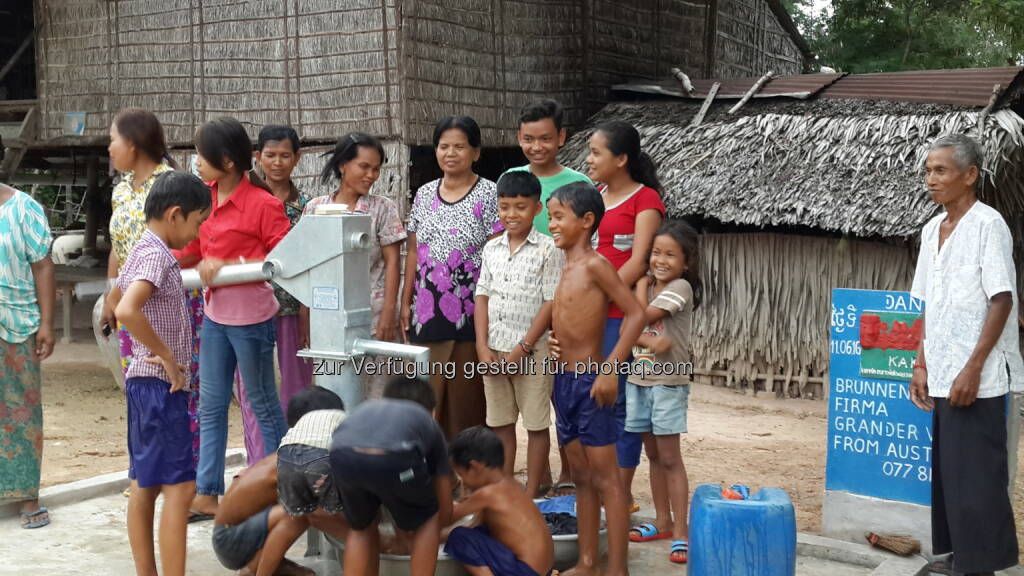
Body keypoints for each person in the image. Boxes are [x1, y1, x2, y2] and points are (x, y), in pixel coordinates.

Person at [909, 133, 1022, 576]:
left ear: (969, 175)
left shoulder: (988, 225)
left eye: (941, 171)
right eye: (928, 171)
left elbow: (1002, 299)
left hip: (979, 374)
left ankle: (980, 565)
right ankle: (961, 556)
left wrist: (973, 368)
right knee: (951, 472)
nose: (931, 180)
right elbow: (928, 305)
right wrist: (920, 362)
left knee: (978, 476)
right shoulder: (930, 230)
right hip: (941, 370)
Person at [176, 117, 292, 517]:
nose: (196, 163)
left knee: (260, 400)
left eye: (201, 156)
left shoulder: (265, 205)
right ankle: (208, 492)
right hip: (215, 316)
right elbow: (189, 249)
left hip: (253, 318)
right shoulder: (202, 199)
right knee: (210, 404)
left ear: (226, 161)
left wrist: (229, 262)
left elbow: (285, 260)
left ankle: (281, 484)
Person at [106, 171, 211, 576]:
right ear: (175, 214)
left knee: (146, 486)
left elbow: (118, 299)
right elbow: (126, 309)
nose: (197, 232)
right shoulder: (156, 255)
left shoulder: (141, 249)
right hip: (158, 383)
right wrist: (167, 355)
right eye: (197, 222)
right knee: (181, 488)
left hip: (143, 383)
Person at [547, 181, 645, 576]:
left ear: (586, 221)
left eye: (558, 217)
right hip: (564, 381)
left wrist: (610, 369)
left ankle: (616, 570)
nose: (551, 224)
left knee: (609, 482)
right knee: (583, 478)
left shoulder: (596, 264)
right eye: (550, 216)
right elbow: (572, 317)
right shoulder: (566, 265)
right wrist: (556, 341)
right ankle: (587, 562)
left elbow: (635, 314)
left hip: (591, 382)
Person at [105, 109, 206, 488]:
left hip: (165, 297)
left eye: (113, 139)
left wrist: (133, 288)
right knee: (144, 387)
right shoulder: (120, 189)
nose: (109, 148)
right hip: (132, 298)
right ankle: (148, 474)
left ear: (133, 142)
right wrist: (111, 296)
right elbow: (119, 247)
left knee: (177, 384)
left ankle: (182, 479)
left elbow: (192, 243)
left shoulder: (172, 185)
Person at [505, 98, 592, 497]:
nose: (536, 146)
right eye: (528, 139)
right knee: (531, 392)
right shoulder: (511, 177)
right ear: (518, 139)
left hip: (566, 296)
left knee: (563, 389)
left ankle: (570, 471)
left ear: (561, 137)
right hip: (524, 300)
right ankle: (536, 475)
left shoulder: (579, 185)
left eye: (544, 138)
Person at [401, 116, 503, 439]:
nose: (450, 153)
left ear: (476, 152)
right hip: (427, 308)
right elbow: (414, 253)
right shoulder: (424, 194)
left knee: (466, 397)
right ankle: (435, 470)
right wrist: (407, 302)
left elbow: (495, 253)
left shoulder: (490, 193)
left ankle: (469, 468)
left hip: (471, 311)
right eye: (444, 146)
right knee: (428, 395)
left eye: (460, 146)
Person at [586, 119, 666, 514]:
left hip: (621, 315)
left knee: (621, 404)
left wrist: (600, 294)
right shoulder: (595, 196)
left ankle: (622, 492)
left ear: (621, 158)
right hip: (590, 313)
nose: (589, 159)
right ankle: (603, 487)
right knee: (593, 397)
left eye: (596, 152)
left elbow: (639, 260)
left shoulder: (645, 200)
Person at [475, 170, 561, 498]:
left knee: (536, 423)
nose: (512, 214)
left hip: (533, 351)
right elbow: (482, 295)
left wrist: (522, 349)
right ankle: (505, 487)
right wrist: (483, 346)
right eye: (505, 207)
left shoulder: (549, 250)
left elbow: (551, 301)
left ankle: (533, 490)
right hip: (494, 349)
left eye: (521, 207)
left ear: (537, 209)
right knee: (500, 422)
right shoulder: (492, 249)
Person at [231, 125, 314, 465]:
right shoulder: (242, 197)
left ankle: (297, 463)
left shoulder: (306, 207)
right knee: (252, 391)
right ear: (257, 157)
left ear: (297, 158)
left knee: (298, 387)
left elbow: (310, 261)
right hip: (248, 307)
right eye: (270, 155)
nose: (277, 163)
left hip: (293, 308)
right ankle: (259, 465)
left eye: (284, 155)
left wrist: (309, 310)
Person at [305, 132, 407, 402]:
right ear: (342, 165)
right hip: (328, 318)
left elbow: (393, 261)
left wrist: (389, 312)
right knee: (333, 391)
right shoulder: (316, 208)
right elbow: (308, 265)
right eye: (364, 166)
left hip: (374, 317)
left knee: (378, 394)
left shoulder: (383, 208)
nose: (371, 175)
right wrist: (307, 315)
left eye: (376, 169)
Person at [624, 220, 702, 564]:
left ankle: (681, 531)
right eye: (656, 252)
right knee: (653, 456)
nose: (661, 260)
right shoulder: (652, 285)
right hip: (638, 382)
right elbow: (641, 330)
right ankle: (662, 520)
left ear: (685, 262)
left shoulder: (680, 287)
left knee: (670, 458)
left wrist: (639, 287)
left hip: (668, 383)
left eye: (670, 255)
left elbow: (639, 317)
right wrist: (647, 340)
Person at [212, 387, 350, 576]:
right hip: (229, 540)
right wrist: (359, 537)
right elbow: (317, 515)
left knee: (299, 509)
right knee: (300, 512)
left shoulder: (292, 453)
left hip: (244, 532)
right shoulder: (292, 462)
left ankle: (269, 564)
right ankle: (254, 569)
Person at [330, 376, 454, 576]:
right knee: (428, 519)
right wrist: (440, 524)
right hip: (395, 458)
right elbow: (444, 503)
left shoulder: (367, 408)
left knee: (361, 527)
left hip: (341, 455)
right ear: (431, 410)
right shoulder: (426, 422)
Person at [0, 182, 55, 529]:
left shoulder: (24, 209)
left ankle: (27, 495)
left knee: (22, 408)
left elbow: (43, 267)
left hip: (18, 323)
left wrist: (47, 323)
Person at [444, 426, 554, 576]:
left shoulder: (489, 493)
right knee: (479, 531)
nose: (464, 483)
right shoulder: (511, 485)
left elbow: (447, 516)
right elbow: (475, 525)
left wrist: (440, 489)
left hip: (524, 571)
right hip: (541, 571)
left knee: (459, 537)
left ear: (475, 467)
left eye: (462, 475)